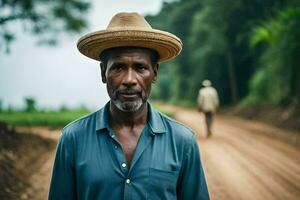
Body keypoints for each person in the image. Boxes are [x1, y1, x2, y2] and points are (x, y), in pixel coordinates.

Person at [49, 12, 209, 200]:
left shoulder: (183, 141)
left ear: (154, 73)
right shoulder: (73, 139)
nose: (129, 80)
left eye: (140, 68)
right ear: (103, 73)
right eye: (118, 67)